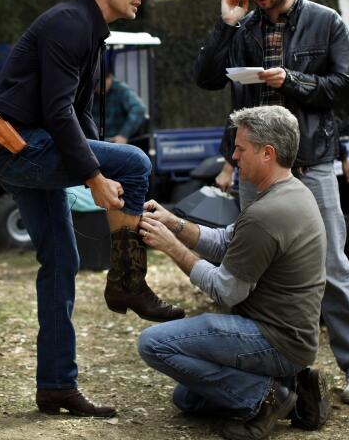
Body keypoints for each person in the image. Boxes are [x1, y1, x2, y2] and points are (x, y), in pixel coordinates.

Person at [0, 0, 183, 417]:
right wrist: (96, 175)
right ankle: (127, 280)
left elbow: (79, 116)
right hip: (17, 149)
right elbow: (58, 112)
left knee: (61, 261)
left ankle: (56, 385)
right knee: (137, 162)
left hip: (34, 147)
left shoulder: (92, 33)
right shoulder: (68, 24)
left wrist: (95, 161)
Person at [193, 0, 349, 404]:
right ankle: (267, 368)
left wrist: (291, 81)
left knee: (331, 262)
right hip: (256, 166)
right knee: (247, 263)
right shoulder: (244, 25)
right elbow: (205, 77)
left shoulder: (326, 21)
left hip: (309, 162)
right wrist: (225, 25)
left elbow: (345, 87)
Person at [138, 106, 329, 440]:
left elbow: (226, 291)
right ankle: (295, 388)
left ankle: (267, 397)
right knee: (187, 398)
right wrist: (175, 223)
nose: (234, 156)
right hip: (290, 338)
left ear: (267, 153)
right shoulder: (291, 192)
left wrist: (172, 247)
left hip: (275, 340)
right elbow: (227, 241)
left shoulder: (267, 213)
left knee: (153, 344)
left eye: (240, 149)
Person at [93, 72, 148, 144]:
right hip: (97, 140)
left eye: (101, 83)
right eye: (96, 84)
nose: (98, 87)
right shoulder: (91, 92)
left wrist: (123, 135)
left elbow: (139, 109)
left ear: (109, 78)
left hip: (116, 141)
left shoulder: (121, 90)